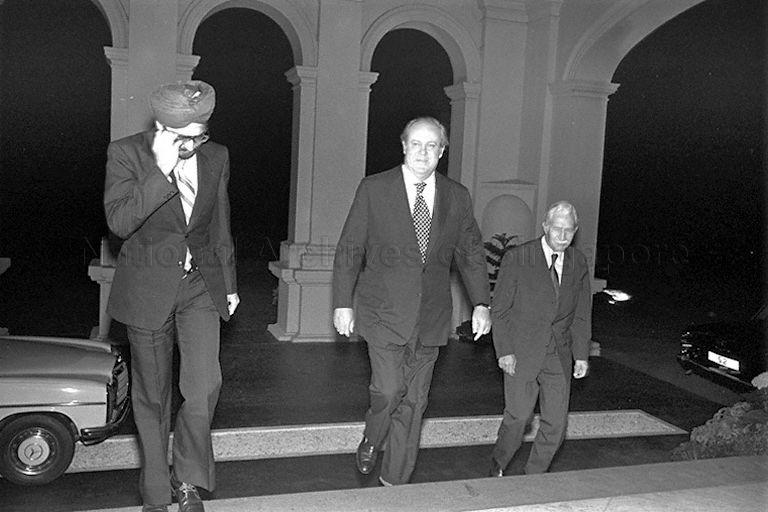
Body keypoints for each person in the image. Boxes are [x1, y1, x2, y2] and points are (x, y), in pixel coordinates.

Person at [332, 117, 491, 486]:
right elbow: (349, 249)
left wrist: (481, 302)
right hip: (383, 312)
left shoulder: (457, 195)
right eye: (416, 144)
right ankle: (372, 437)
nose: (423, 152)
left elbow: (471, 253)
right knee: (388, 390)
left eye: (431, 145)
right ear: (403, 146)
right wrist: (343, 302)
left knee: (415, 405)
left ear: (442, 151)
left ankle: (395, 488)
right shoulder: (374, 188)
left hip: (431, 317)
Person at [104, 80, 239, 512]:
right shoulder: (126, 153)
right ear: (161, 124)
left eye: (201, 134)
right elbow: (120, 221)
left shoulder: (216, 156)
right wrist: (159, 172)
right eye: (184, 137)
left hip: (199, 285)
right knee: (153, 398)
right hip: (147, 290)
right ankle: (158, 494)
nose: (194, 144)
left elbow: (219, 222)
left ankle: (188, 481)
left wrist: (230, 283)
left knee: (203, 388)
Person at [488, 201, 591, 477]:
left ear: (575, 231)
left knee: (556, 425)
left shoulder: (578, 262)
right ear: (545, 227)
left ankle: (532, 477)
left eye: (568, 230)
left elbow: (581, 313)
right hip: (521, 351)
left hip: (558, 353)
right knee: (519, 417)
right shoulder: (519, 258)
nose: (562, 236)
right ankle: (498, 464)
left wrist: (581, 354)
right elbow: (499, 310)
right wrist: (504, 351)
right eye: (556, 229)